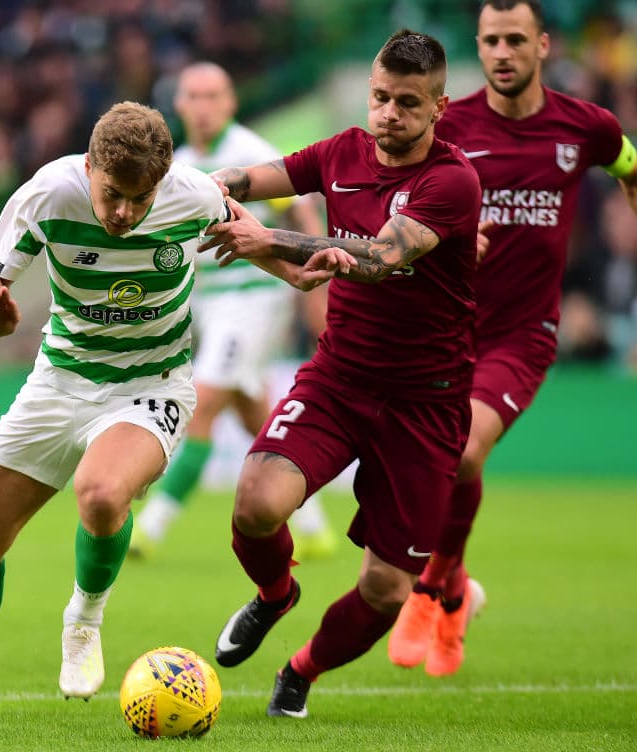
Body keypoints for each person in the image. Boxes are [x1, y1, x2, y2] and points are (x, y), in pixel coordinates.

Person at [0, 101, 343, 718]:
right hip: (59, 381)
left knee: (102, 493)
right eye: (112, 194)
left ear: (161, 185)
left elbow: (246, 231)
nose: (123, 213)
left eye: (140, 200)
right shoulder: (47, 195)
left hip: (151, 385)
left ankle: (83, 623)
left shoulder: (192, 194)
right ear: (89, 167)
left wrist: (292, 273)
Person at [202, 30, 482, 718]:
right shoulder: (341, 153)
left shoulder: (452, 181)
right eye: (382, 97)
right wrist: (202, 188)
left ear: (440, 106)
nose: (390, 113)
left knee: (386, 590)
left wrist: (271, 239)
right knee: (255, 504)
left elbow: (383, 255)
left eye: (409, 103)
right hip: (338, 380)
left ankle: (301, 670)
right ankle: (275, 596)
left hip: (427, 403)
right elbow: (256, 178)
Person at [387, 0, 637, 677]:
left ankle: (433, 588)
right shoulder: (452, 124)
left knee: (464, 450)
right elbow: (397, 198)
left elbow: (630, 167)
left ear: (542, 45)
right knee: (436, 465)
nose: (502, 52)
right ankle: (459, 590)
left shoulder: (586, 126)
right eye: (491, 40)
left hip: (524, 333)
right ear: (478, 45)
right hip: (441, 328)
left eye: (515, 40)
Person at [130, 61, 336, 561]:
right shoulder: (181, 163)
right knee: (253, 418)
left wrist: (314, 292)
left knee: (201, 405)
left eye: (212, 96)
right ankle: (315, 527)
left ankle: (148, 528)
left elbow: (301, 211)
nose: (203, 107)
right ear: (178, 105)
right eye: (193, 96)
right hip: (211, 306)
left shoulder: (249, 152)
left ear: (230, 102)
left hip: (256, 300)